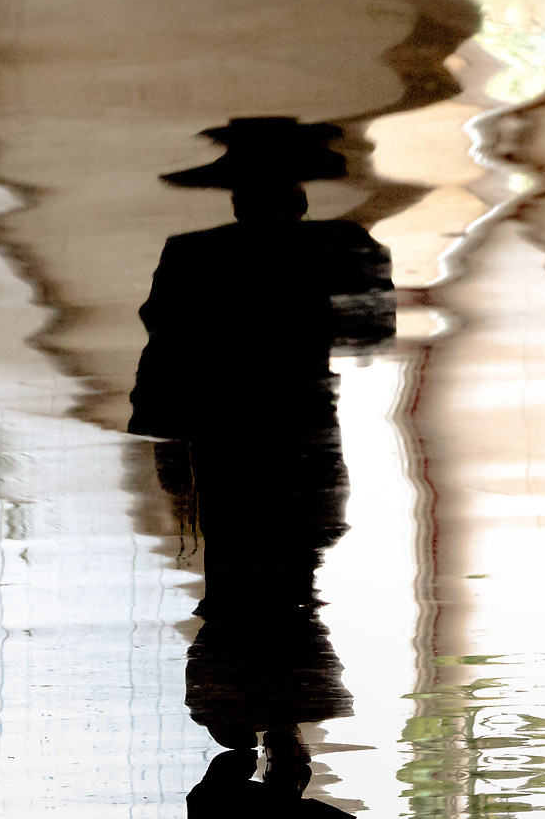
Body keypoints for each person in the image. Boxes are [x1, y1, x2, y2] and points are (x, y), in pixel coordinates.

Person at [132, 117, 390, 808]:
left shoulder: (192, 256)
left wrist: (165, 440)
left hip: (229, 443)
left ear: (234, 193)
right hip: (304, 440)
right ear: (303, 188)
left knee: (240, 579)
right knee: (289, 580)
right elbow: (373, 329)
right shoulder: (345, 246)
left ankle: (247, 717)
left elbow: (163, 356)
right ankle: (272, 717)